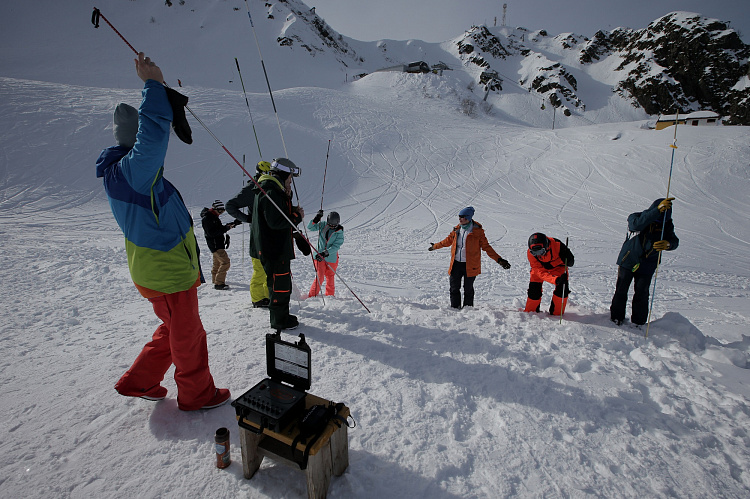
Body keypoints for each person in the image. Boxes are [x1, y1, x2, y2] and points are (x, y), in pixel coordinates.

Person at [95, 52, 229, 410]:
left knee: (173, 329)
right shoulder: (135, 172)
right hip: (167, 272)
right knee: (187, 335)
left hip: (156, 269)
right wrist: (153, 84)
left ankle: (139, 381)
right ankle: (198, 395)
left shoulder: (121, 173)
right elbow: (151, 138)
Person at [250, 158, 305, 330]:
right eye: (290, 177)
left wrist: (291, 209)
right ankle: (279, 320)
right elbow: (275, 222)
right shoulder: (271, 191)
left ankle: (282, 316)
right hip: (274, 249)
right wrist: (297, 217)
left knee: (281, 285)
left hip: (274, 248)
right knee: (279, 286)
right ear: (284, 174)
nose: (290, 181)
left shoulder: (272, 190)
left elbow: (275, 215)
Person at [610, 197, 679, 325]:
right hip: (628, 260)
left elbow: (675, 241)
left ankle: (639, 322)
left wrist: (668, 244)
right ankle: (616, 318)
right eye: (661, 211)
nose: (661, 218)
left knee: (642, 293)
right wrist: (656, 212)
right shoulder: (637, 217)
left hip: (648, 264)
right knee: (621, 289)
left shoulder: (666, 225)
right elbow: (636, 225)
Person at [428, 206, 511, 309]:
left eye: (462, 217)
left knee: (468, 289)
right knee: (454, 288)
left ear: (468, 217)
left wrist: (499, 260)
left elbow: (486, 247)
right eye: (459, 216)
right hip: (456, 264)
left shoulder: (477, 232)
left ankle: (468, 310)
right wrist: (435, 246)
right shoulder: (457, 229)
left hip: (470, 265)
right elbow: (447, 241)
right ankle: (454, 308)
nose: (460, 219)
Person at [225, 161, 272, 307]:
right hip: (257, 234)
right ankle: (257, 298)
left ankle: (266, 296)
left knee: (268, 267)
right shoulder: (253, 187)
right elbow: (230, 205)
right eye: (265, 173)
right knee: (259, 267)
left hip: (268, 232)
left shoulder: (268, 186)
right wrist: (247, 218)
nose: (268, 175)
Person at [524, 232, 574, 316]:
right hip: (540, 270)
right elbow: (539, 271)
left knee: (562, 289)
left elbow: (571, 262)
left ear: (546, 246)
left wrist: (569, 260)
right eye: (534, 252)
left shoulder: (558, 247)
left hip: (558, 268)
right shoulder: (530, 253)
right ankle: (531, 314)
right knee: (534, 290)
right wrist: (555, 279)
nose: (538, 255)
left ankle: (556, 315)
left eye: (540, 251)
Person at [200, 200, 240, 290]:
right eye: (220, 211)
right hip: (215, 244)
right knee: (225, 262)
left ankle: (215, 280)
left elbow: (219, 228)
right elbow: (212, 233)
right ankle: (219, 283)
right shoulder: (207, 218)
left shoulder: (214, 217)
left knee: (217, 263)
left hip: (217, 244)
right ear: (215, 209)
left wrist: (231, 225)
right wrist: (226, 228)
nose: (221, 213)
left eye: (223, 211)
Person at [307, 210, 344, 297]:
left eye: (334, 225)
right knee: (319, 276)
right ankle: (312, 296)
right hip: (319, 256)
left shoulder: (339, 232)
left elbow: (336, 246)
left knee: (330, 277)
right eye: (330, 225)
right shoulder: (323, 225)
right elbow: (310, 227)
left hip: (331, 257)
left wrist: (326, 253)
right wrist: (316, 218)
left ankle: (330, 296)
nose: (331, 227)